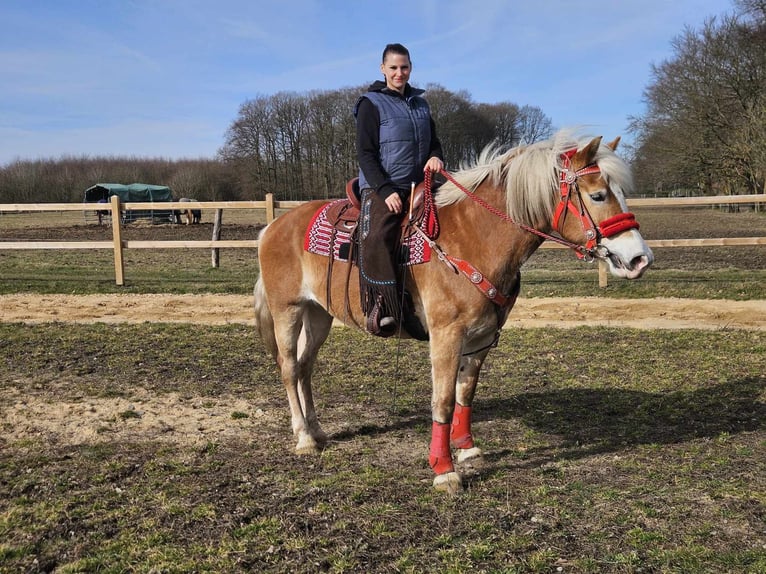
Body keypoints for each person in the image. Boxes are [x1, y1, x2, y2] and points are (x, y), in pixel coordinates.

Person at [354, 43, 444, 335]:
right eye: (393, 67)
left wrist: (436, 156)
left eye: (404, 67)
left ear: (410, 68)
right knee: (379, 236)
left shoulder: (421, 104)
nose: (399, 73)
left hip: (421, 184)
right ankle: (384, 304)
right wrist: (384, 189)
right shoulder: (371, 103)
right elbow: (366, 154)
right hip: (384, 187)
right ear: (383, 69)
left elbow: (434, 141)